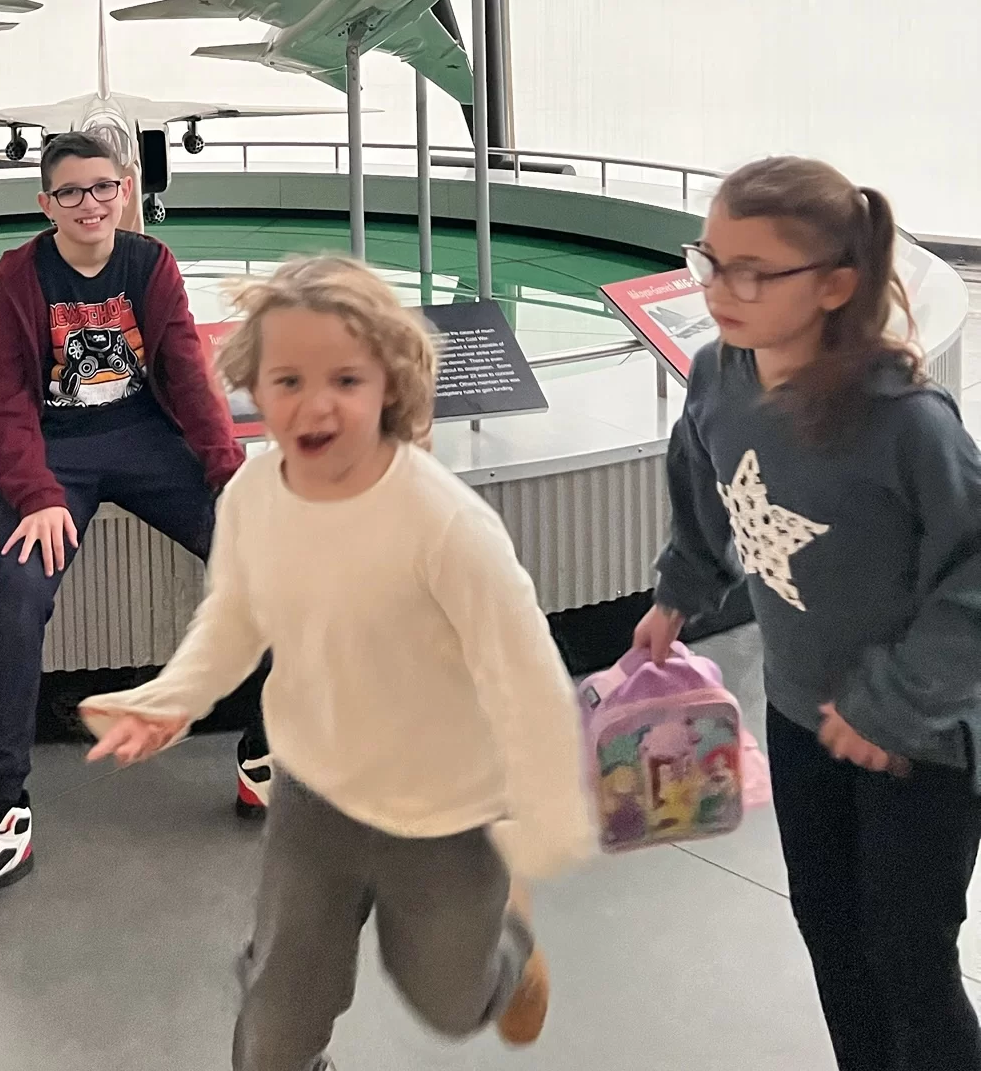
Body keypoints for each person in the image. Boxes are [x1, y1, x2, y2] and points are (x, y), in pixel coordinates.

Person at [82, 255, 592, 1068]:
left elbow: (525, 673)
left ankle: (511, 946)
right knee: (278, 1020)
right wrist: (171, 699)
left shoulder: (443, 525)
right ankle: (295, 1018)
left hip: (445, 811)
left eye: (344, 380)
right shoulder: (253, 496)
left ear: (388, 382)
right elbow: (236, 614)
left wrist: (547, 815)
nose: (313, 404)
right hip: (314, 790)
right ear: (255, 385)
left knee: (449, 1000)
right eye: (287, 380)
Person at [636, 156, 981, 1071]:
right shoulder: (718, 373)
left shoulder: (906, 422)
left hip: (921, 741)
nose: (720, 290)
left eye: (753, 271)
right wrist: (681, 588)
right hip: (798, 716)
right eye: (711, 261)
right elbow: (705, 480)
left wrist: (896, 706)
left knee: (909, 958)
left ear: (836, 285)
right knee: (831, 933)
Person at [0, 131, 271, 935]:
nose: (90, 204)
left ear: (126, 190)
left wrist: (229, 472)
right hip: (51, 457)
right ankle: (0, 812)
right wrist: (33, 495)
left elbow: (185, 374)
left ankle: (267, 750)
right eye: (70, 192)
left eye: (103, 187)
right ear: (46, 204)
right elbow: (0, 401)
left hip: (146, 444)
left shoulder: (151, 264)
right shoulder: (20, 274)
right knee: (20, 594)